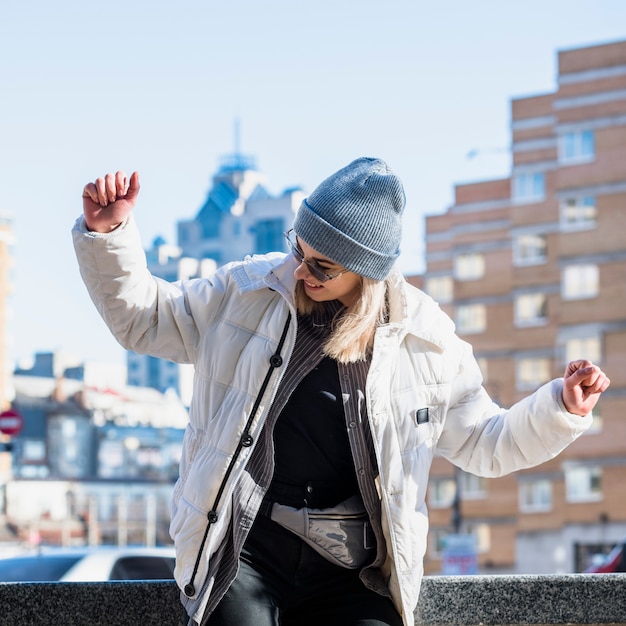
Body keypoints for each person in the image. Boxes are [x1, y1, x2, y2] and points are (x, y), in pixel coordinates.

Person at [74, 157, 610, 626]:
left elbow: (486, 443)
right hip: (246, 546)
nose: (301, 270)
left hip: (353, 568)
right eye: (298, 249)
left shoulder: (424, 337)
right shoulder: (245, 291)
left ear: (366, 271)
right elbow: (147, 320)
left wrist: (560, 407)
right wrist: (109, 235)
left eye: (322, 266)